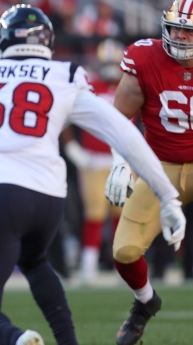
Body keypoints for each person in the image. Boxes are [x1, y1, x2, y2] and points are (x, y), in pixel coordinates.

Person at [0, 4, 186, 345]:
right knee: (35, 261)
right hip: (47, 199)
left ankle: (18, 340)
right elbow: (124, 132)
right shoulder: (64, 75)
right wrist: (167, 196)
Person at [104, 0, 193, 344]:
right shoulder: (145, 57)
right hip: (158, 166)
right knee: (124, 252)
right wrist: (120, 161)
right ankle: (145, 303)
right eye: (176, 28)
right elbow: (118, 120)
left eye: (190, 32)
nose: (180, 37)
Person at [61, 38, 126, 283]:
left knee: (122, 214)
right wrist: (74, 149)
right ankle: (89, 264)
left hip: (121, 159)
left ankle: (124, 265)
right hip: (94, 161)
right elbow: (65, 118)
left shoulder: (127, 86)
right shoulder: (90, 86)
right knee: (95, 213)